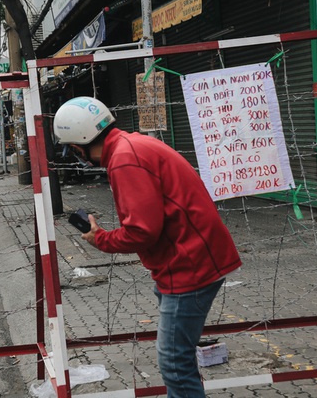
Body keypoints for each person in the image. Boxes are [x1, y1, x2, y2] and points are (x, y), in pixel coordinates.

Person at [53, 96, 242, 397]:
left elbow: (142, 232)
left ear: (79, 146)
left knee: (175, 364)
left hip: (188, 266)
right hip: (189, 258)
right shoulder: (132, 145)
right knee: (177, 360)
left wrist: (100, 238)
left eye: (74, 150)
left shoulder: (125, 159)